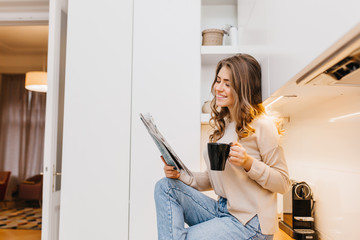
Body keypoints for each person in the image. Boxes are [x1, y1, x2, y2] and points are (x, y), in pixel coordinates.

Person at [154, 54, 291, 240]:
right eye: (218, 81)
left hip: (250, 223)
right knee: (166, 187)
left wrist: (249, 163)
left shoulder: (262, 125)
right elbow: (213, 180)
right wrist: (181, 175)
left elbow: (283, 183)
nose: (218, 88)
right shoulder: (225, 124)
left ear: (242, 88)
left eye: (227, 84)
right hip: (222, 210)